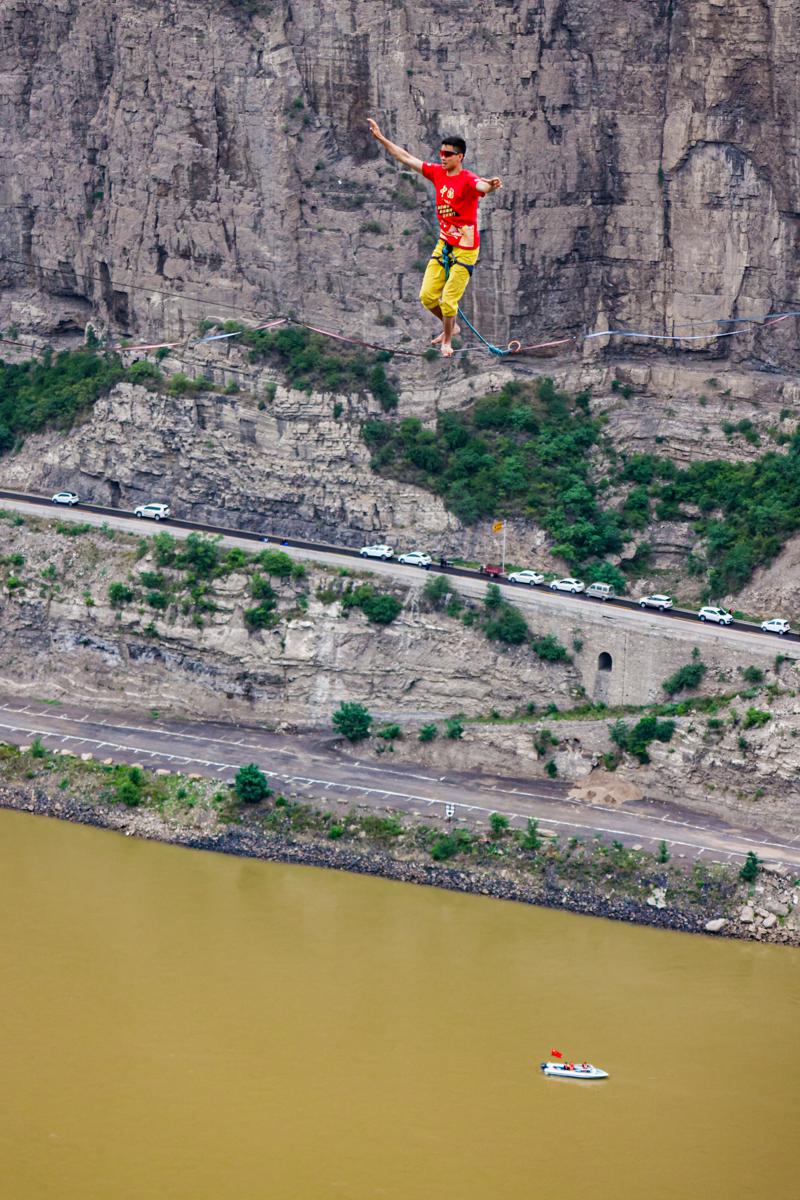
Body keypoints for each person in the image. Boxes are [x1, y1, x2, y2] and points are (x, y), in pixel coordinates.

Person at [367, 118, 502, 357]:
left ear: (459, 157)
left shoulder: (468, 180)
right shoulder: (437, 173)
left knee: (449, 300)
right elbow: (405, 158)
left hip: (466, 249)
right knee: (428, 296)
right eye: (441, 153)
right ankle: (452, 326)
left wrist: (491, 185)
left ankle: (447, 341)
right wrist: (381, 138)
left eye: (448, 154)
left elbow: (482, 187)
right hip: (445, 244)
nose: (442, 157)